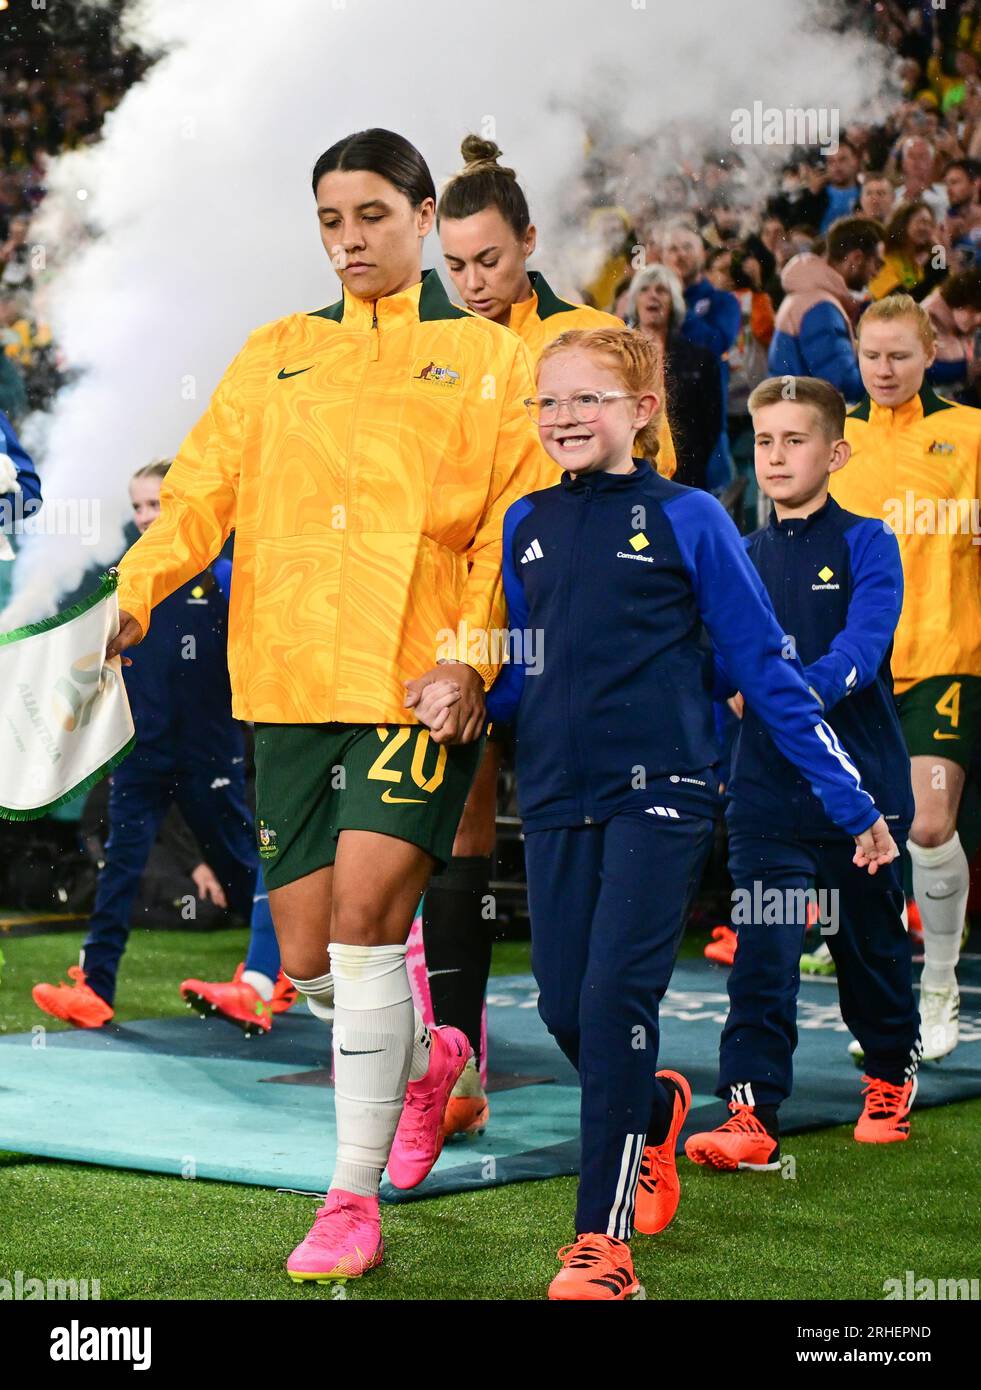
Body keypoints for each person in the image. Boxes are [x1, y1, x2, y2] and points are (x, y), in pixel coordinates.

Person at [106, 128, 547, 1285]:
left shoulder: (495, 362)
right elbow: (200, 492)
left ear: (421, 215)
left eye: (371, 216)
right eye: (330, 222)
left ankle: (348, 1197)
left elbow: (520, 529)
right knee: (303, 957)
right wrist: (136, 593)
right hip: (289, 684)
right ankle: (430, 1054)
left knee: (360, 929)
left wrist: (477, 662)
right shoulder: (275, 354)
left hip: (419, 688)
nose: (351, 241)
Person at [471, 326, 896, 1301]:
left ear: (643, 412)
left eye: (589, 399)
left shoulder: (695, 517)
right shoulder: (525, 522)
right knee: (561, 1003)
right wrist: (465, 695)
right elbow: (525, 669)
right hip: (553, 795)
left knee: (618, 1001)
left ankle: (600, 1245)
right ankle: (655, 1105)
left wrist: (854, 801)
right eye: (550, 401)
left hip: (662, 794)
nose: (567, 417)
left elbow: (765, 671)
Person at [429, 135, 678, 1137]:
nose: (473, 281)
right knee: (460, 827)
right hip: (462, 610)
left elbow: (659, 466)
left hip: (576, 616)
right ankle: (456, 1077)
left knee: (582, 836)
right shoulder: (426, 341)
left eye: (489, 259)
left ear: (530, 241)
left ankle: (619, 1066)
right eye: (454, 263)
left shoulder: (584, 334)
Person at [685, 376, 919, 1175]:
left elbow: (864, 650)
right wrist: (729, 684)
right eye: (763, 440)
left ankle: (888, 1074)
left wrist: (783, 694)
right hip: (765, 802)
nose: (776, 455)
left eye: (795, 439)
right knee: (765, 952)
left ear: (836, 451)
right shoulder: (738, 554)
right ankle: (751, 1111)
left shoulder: (868, 543)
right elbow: (712, 664)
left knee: (870, 951)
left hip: (863, 798)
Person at [32, 462, 263, 1029]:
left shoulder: (225, 574)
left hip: (211, 753)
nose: (144, 517)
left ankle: (272, 972)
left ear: (183, 504)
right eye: (137, 507)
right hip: (139, 750)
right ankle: (95, 986)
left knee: (242, 868)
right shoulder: (125, 576)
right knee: (120, 867)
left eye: (155, 505)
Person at [830, 294, 981, 1060]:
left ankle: (940, 988)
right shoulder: (836, 441)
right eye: (871, 355)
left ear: (931, 354)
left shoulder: (969, 433)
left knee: (926, 825)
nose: (884, 370)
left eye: (899, 355)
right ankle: (887, 1001)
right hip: (855, 672)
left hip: (943, 658)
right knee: (871, 839)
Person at [768, 215, 885, 402]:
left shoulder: (815, 298)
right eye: (877, 264)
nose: (877, 273)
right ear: (855, 258)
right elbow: (844, 384)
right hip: (808, 423)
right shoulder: (821, 308)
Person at [628, 262, 722, 489]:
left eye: (661, 290)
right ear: (634, 302)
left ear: (674, 302)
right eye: (645, 290)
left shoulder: (701, 358)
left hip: (686, 472)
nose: (653, 296)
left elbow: (711, 423)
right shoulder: (617, 358)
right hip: (629, 470)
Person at [662, 223, 741, 487]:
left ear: (703, 254)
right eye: (673, 249)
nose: (680, 255)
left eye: (687, 247)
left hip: (708, 427)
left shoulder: (723, 302)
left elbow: (714, 343)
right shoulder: (651, 300)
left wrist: (678, 306)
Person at [922, 266, 981, 396]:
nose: (978, 319)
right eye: (973, 310)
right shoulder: (922, 320)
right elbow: (919, 371)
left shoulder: (963, 327)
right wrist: (965, 369)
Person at [868, 201, 944, 301]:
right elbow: (899, 302)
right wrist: (934, 277)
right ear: (902, 224)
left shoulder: (919, 262)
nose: (926, 228)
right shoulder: (884, 256)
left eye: (930, 224)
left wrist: (939, 256)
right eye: (921, 222)